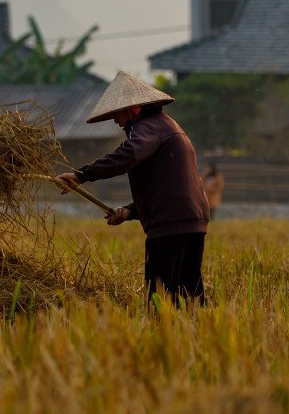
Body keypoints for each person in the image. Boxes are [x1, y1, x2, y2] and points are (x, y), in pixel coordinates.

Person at [57, 71, 209, 307]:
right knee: (188, 294)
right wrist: (131, 210)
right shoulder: (167, 126)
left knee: (160, 299)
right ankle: (198, 337)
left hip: (170, 224)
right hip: (189, 218)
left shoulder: (148, 127)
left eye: (117, 114)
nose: (116, 122)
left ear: (134, 109)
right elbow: (168, 186)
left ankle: (164, 339)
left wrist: (81, 175)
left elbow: (130, 154)